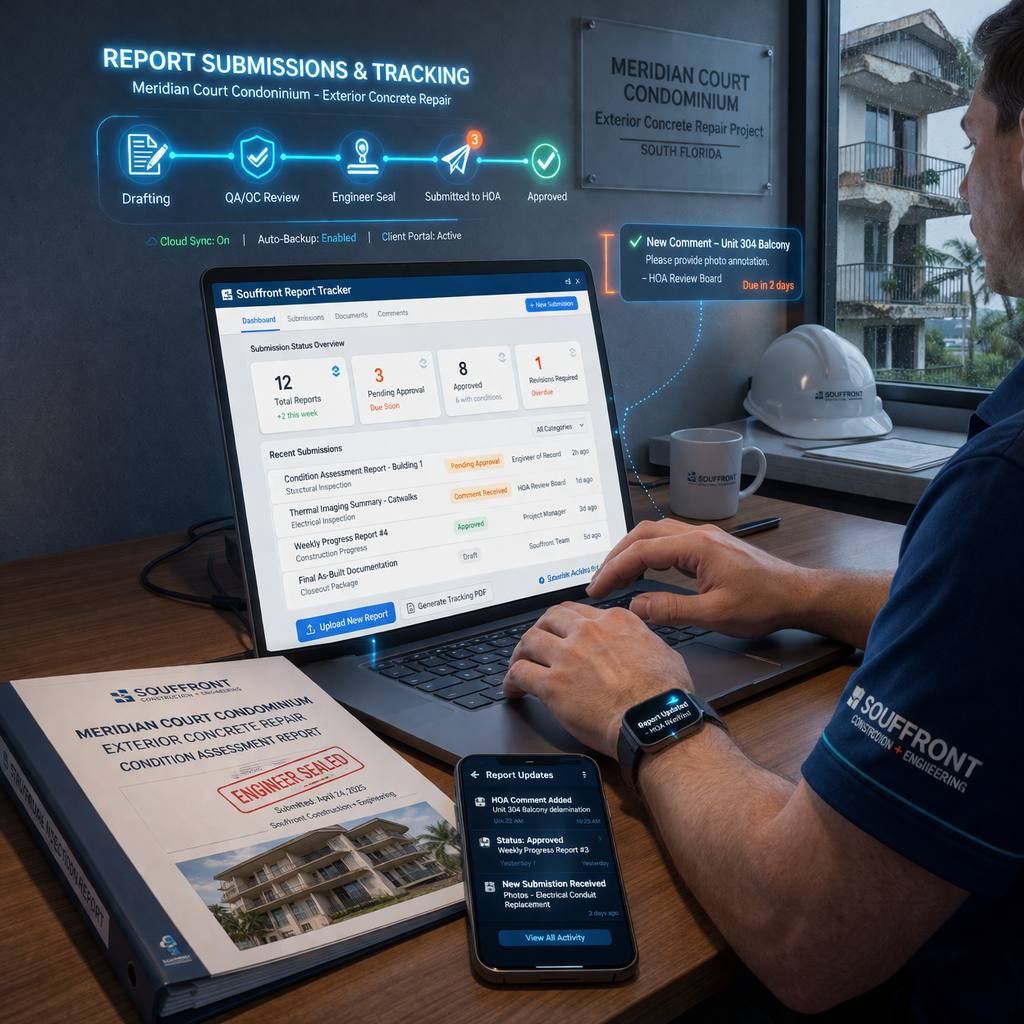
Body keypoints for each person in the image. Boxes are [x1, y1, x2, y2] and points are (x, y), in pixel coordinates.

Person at [503, 5, 1024, 1021]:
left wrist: (644, 703)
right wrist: (801, 590)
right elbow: (996, 640)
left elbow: (805, 932)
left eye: (969, 144)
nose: (963, 187)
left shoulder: (1007, 492)